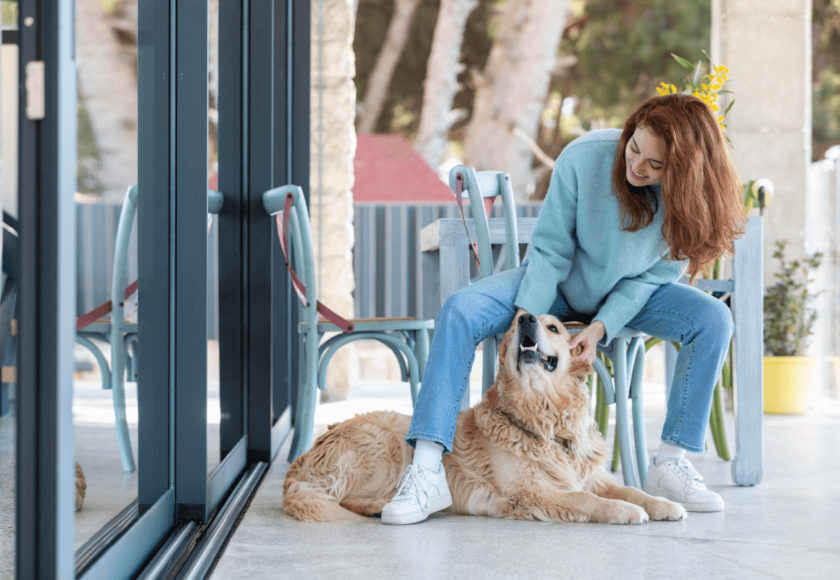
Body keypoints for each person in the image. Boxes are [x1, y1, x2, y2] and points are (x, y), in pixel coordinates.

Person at [380, 93, 746, 525]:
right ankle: (426, 472)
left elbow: (650, 278)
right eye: (634, 148)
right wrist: (524, 321)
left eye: (656, 165)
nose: (637, 166)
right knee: (462, 309)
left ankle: (670, 462)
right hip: (552, 286)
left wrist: (602, 327)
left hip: (625, 296)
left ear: (684, 171)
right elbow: (550, 251)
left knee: (714, 318)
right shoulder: (584, 157)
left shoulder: (691, 202)